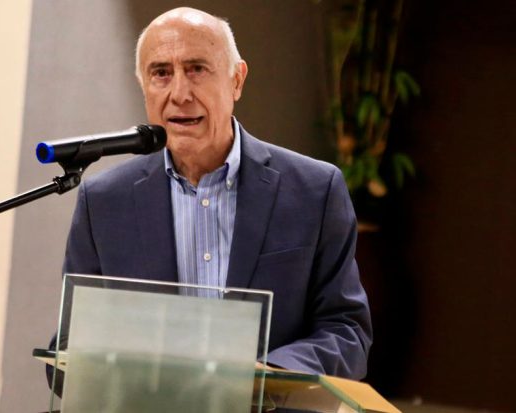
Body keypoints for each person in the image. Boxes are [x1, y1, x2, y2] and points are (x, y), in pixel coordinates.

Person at [58, 7, 372, 380]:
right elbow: (69, 344)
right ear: (144, 87)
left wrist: (268, 375)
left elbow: (346, 332)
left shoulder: (314, 191)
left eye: (196, 69)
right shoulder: (104, 201)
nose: (179, 93)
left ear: (236, 80)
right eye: (161, 73)